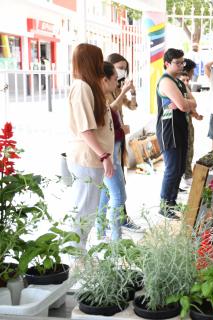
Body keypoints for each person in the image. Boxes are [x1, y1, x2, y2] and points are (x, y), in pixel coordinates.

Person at [67, 43, 114, 249]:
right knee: (84, 210)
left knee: (88, 208)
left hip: (91, 158)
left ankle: (79, 253)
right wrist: (104, 156)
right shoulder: (82, 87)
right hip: (87, 158)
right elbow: (85, 129)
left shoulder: (87, 86)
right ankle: (76, 256)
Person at [156, 48, 196, 219]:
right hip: (169, 130)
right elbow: (183, 105)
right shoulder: (166, 81)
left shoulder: (179, 82)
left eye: (182, 62)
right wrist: (185, 103)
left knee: (180, 168)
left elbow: (193, 103)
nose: (181, 65)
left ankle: (171, 202)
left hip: (180, 128)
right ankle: (164, 206)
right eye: (177, 63)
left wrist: (186, 103)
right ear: (167, 63)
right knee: (172, 169)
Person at [105, 53, 142, 232]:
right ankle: (117, 223)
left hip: (119, 136)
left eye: (125, 68)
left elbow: (132, 106)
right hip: (109, 140)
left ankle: (116, 221)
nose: (123, 71)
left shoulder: (117, 86)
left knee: (117, 183)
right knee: (114, 187)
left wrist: (132, 92)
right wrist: (123, 92)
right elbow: (110, 109)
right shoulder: (105, 87)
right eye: (119, 67)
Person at [95, 61, 129, 241]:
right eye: (116, 78)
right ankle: (116, 240)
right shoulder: (96, 101)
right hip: (108, 157)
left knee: (106, 194)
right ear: (105, 79)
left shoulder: (103, 99)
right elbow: (100, 133)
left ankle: (101, 232)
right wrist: (123, 130)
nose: (118, 82)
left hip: (110, 155)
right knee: (119, 196)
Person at [180, 59, 203, 188]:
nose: (193, 73)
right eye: (193, 70)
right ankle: (187, 176)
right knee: (187, 149)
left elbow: (189, 106)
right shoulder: (183, 83)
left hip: (187, 121)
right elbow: (190, 103)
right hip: (183, 123)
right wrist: (194, 112)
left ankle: (185, 175)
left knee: (187, 148)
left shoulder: (182, 83)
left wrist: (195, 115)